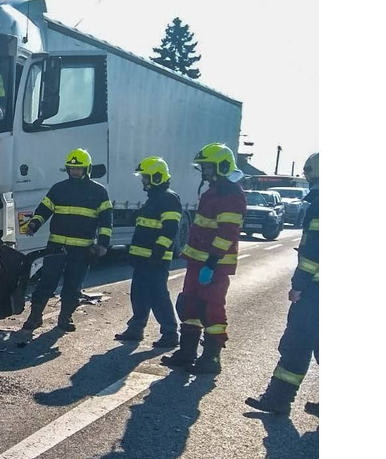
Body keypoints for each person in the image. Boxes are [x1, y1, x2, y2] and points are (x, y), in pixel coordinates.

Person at [161, 143, 247, 374]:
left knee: (211, 309)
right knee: (189, 306)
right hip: (198, 263)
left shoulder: (231, 195)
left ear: (221, 166)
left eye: (208, 167)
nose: (204, 171)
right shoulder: (212, 192)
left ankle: (211, 358)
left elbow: (228, 232)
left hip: (214, 265)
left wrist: (211, 262)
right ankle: (187, 353)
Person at [246, 152, 319, 414]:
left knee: (297, 343)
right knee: (302, 345)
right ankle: (278, 399)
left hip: (315, 293)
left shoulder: (321, 204)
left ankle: (278, 400)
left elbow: (314, 251)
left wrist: (299, 284)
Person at [15, 148, 112, 342]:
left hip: (82, 249)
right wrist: (34, 223)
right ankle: (35, 317)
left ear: (87, 169)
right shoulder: (59, 188)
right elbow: (44, 209)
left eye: (79, 169)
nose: (74, 172)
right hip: (56, 247)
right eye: (71, 169)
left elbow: (106, 221)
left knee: (73, 286)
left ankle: (65, 317)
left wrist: (103, 245)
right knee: (46, 282)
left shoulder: (99, 192)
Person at [114, 157, 182, 348]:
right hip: (144, 259)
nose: (143, 181)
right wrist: (134, 254)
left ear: (157, 177)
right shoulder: (154, 199)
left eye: (146, 177)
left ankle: (170, 333)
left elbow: (170, 229)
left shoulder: (168, 198)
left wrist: (158, 252)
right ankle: (136, 328)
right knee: (139, 294)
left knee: (158, 295)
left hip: (156, 259)